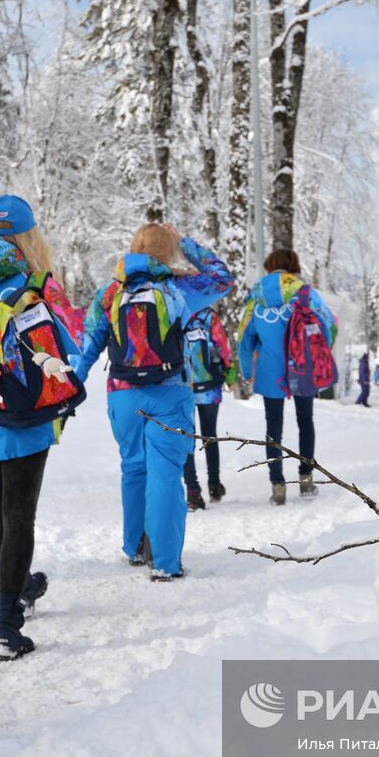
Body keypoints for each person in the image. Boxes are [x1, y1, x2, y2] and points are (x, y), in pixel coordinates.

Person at [0, 194, 84, 661]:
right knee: (20, 513)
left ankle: (21, 584)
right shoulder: (34, 283)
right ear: (29, 236)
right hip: (23, 414)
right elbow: (72, 342)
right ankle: (7, 626)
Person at [73, 224, 236, 580]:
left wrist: (72, 386)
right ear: (167, 252)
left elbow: (88, 347)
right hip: (170, 391)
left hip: (122, 394)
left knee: (133, 469)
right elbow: (223, 278)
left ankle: (134, 548)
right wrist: (184, 242)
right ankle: (164, 562)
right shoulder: (178, 289)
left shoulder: (110, 292)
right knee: (165, 473)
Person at [237, 249, 338, 506]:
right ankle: (305, 480)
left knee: (273, 429)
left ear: (269, 266)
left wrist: (247, 371)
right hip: (302, 368)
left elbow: (244, 339)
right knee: (306, 421)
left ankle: (278, 486)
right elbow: (329, 324)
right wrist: (319, 354)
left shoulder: (256, 296)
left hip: (271, 372)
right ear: (293, 265)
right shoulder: (305, 292)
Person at [182, 306, 236, 511]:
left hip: (183, 386)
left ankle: (193, 491)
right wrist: (230, 373)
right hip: (210, 385)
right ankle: (214, 486)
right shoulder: (208, 315)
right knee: (210, 437)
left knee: (187, 438)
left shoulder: (175, 309)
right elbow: (222, 346)